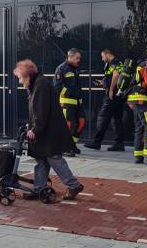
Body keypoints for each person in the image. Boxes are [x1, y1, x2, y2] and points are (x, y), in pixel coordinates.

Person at [15, 59, 83, 201]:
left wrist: (35, 129)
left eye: (20, 78)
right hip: (48, 131)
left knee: (54, 158)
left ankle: (73, 185)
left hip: (50, 132)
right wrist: (31, 125)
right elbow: (37, 111)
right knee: (42, 160)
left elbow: (41, 110)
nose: (20, 82)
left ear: (27, 75)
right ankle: (38, 189)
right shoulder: (37, 84)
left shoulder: (40, 85)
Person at [84, 48, 125, 152]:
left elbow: (116, 75)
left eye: (102, 56)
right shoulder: (117, 63)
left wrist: (110, 90)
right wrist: (103, 83)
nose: (102, 59)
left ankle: (96, 142)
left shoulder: (114, 62)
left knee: (102, 117)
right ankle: (119, 144)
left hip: (112, 95)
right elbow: (112, 77)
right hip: (118, 96)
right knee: (117, 119)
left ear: (107, 54)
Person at [54, 48, 85, 156]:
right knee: (68, 125)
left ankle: (72, 145)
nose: (78, 60)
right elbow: (57, 87)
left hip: (78, 102)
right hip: (66, 102)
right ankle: (65, 148)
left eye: (79, 58)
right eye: (77, 58)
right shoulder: (61, 68)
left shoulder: (76, 69)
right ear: (70, 57)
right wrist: (68, 92)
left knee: (81, 123)